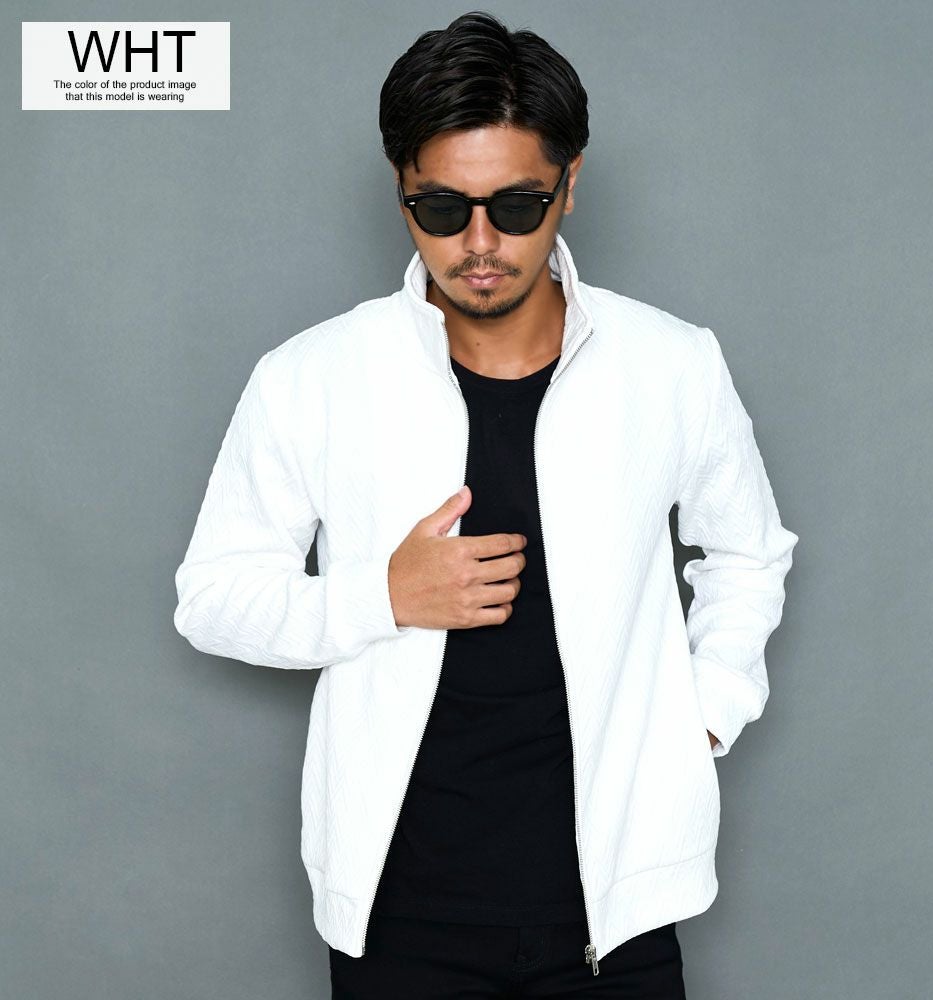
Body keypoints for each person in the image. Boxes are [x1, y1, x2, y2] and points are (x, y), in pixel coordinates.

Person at [173, 10, 799, 998]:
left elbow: (748, 552)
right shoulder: (313, 377)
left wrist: (706, 715)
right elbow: (211, 598)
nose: (478, 244)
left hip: (618, 914)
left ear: (569, 184)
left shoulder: (671, 364)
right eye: (441, 207)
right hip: (399, 917)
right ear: (400, 189)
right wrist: (381, 596)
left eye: (515, 206)